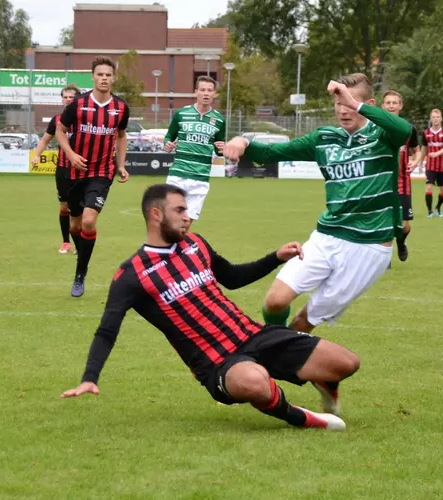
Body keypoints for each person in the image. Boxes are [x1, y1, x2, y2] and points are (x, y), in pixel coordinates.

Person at [61, 184, 356, 431]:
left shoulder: (196, 244)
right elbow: (107, 330)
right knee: (254, 382)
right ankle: (301, 417)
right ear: (155, 214)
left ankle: (323, 381)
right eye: (179, 211)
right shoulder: (132, 275)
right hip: (217, 363)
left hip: (253, 335)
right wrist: (90, 378)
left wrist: (276, 257)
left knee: (347, 362)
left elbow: (233, 277)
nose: (187, 217)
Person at [223, 74, 411, 409]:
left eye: (349, 102)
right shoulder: (324, 138)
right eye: (338, 102)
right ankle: (297, 369)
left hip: (368, 248)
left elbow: (405, 131)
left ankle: (294, 373)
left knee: (301, 324)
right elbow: (273, 152)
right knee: (275, 302)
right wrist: (242, 142)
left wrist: (357, 103)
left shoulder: (384, 135)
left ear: (366, 103)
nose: (343, 109)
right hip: (327, 236)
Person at [55, 56, 130, 298]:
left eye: (108, 74)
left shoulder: (120, 108)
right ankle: (81, 253)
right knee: (75, 224)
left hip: (102, 172)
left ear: (113, 78)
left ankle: (80, 273)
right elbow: (60, 130)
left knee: (88, 221)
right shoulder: (77, 104)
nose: (104, 78)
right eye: (100, 74)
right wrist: (70, 153)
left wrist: (121, 165)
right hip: (74, 171)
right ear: (93, 77)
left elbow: (121, 136)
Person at [163, 76, 226, 223]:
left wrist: (222, 149)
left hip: (201, 178)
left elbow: (219, 149)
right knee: (171, 220)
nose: (206, 93)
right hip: (178, 174)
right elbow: (169, 137)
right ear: (195, 92)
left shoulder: (219, 120)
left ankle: (178, 246)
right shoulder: (181, 114)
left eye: (209, 90)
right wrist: (168, 144)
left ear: (214, 93)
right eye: (202, 90)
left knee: (185, 223)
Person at [32, 84, 79, 254]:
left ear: (77, 99)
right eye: (65, 97)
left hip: (81, 169)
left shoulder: (84, 119)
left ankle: (80, 242)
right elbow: (44, 140)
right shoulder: (57, 120)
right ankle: (66, 242)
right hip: (63, 169)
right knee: (64, 207)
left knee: (79, 209)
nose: (68, 100)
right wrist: (36, 155)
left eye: (71, 97)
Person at [381, 90, 421, 262]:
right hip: (381, 183)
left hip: (403, 183)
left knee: (404, 226)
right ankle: (386, 258)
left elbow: (417, 151)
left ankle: (401, 242)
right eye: (388, 102)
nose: (391, 105)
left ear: (400, 106)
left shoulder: (409, 129)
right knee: (385, 223)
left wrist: (416, 161)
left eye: (394, 102)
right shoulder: (376, 128)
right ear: (383, 106)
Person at [421, 108, 443, 218]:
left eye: (437, 117)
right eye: (433, 117)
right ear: (431, 119)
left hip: (442, 166)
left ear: (441, 119)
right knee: (429, 188)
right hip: (430, 166)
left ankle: (438, 207)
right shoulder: (426, 133)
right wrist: (420, 163)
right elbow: (424, 149)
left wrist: (436, 154)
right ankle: (430, 211)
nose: (435, 119)